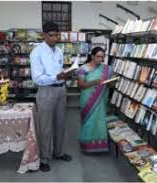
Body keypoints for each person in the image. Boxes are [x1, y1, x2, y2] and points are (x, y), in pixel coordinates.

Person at [30, 22, 71, 172]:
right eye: (52, 35)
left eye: (57, 34)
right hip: (46, 90)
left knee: (61, 123)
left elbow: (58, 69)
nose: (55, 38)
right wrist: (56, 77)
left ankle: (58, 152)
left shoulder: (59, 51)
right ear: (44, 35)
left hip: (61, 90)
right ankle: (45, 158)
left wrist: (66, 73)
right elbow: (37, 78)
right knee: (45, 127)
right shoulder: (37, 52)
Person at [77, 47, 114, 153]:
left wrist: (112, 82)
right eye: (98, 56)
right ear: (92, 56)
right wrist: (93, 82)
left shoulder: (107, 69)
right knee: (89, 121)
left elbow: (109, 85)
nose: (100, 59)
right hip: (88, 99)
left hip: (101, 99)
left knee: (100, 120)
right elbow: (81, 84)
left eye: (102, 57)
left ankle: (100, 145)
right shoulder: (83, 68)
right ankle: (86, 145)